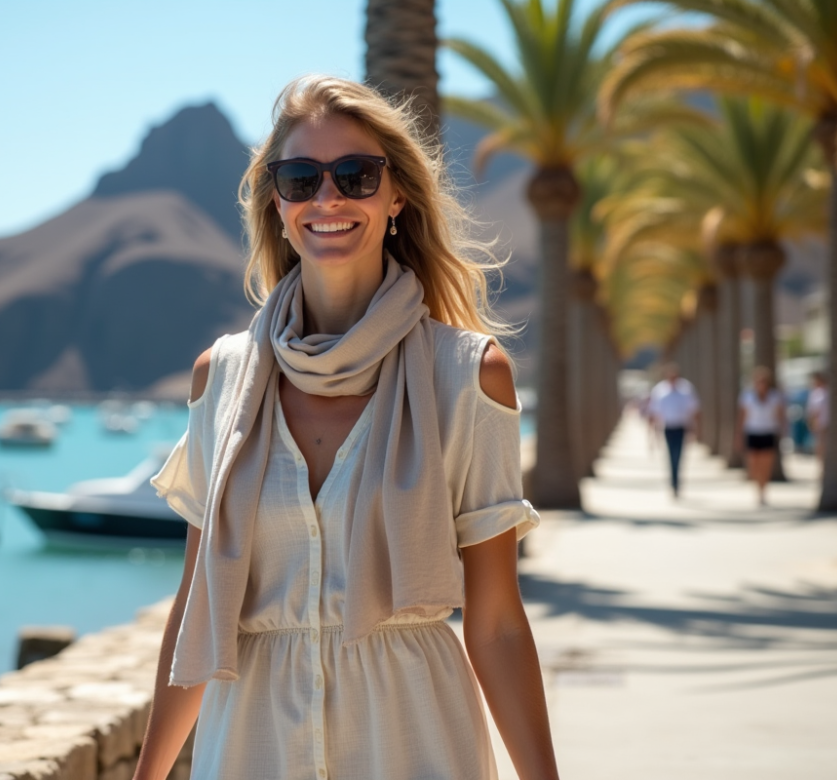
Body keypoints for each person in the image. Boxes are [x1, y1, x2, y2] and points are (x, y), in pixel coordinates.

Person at [135, 76, 558, 780]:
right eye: (300, 178)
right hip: (251, 747)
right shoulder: (223, 379)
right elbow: (196, 610)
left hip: (414, 740)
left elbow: (497, 622)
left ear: (396, 197)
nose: (327, 199)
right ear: (278, 203)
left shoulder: (469, 376)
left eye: (355, 175)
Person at [647, 363, 701, 497]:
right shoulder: (660, 390)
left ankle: (677, 481)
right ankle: (673, 481)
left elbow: (695, 410)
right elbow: (653, 413)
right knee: (671, 455)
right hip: (668, 428)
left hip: (681, 427)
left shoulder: (686, 389)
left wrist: (696, 430)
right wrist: (652, 435)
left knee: (679, 455)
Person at [736, 365, 786, 506]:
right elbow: (742, 417)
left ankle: (762, 492)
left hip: (768, 433)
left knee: (766, 465)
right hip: (753, 432)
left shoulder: (775, 397)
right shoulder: (747, 397)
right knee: (753, 464)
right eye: (758, 381)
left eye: (763, 381)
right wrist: (739, 435)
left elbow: (781, 416)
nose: (761, 384)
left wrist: (783, 431)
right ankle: (758, 487)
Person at [806, 370, 829, 463]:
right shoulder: (818, 392)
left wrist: (813, 423)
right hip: (821, 424)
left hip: (822, 424)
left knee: (821, 446)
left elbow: (815, 411)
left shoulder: (820, 393)